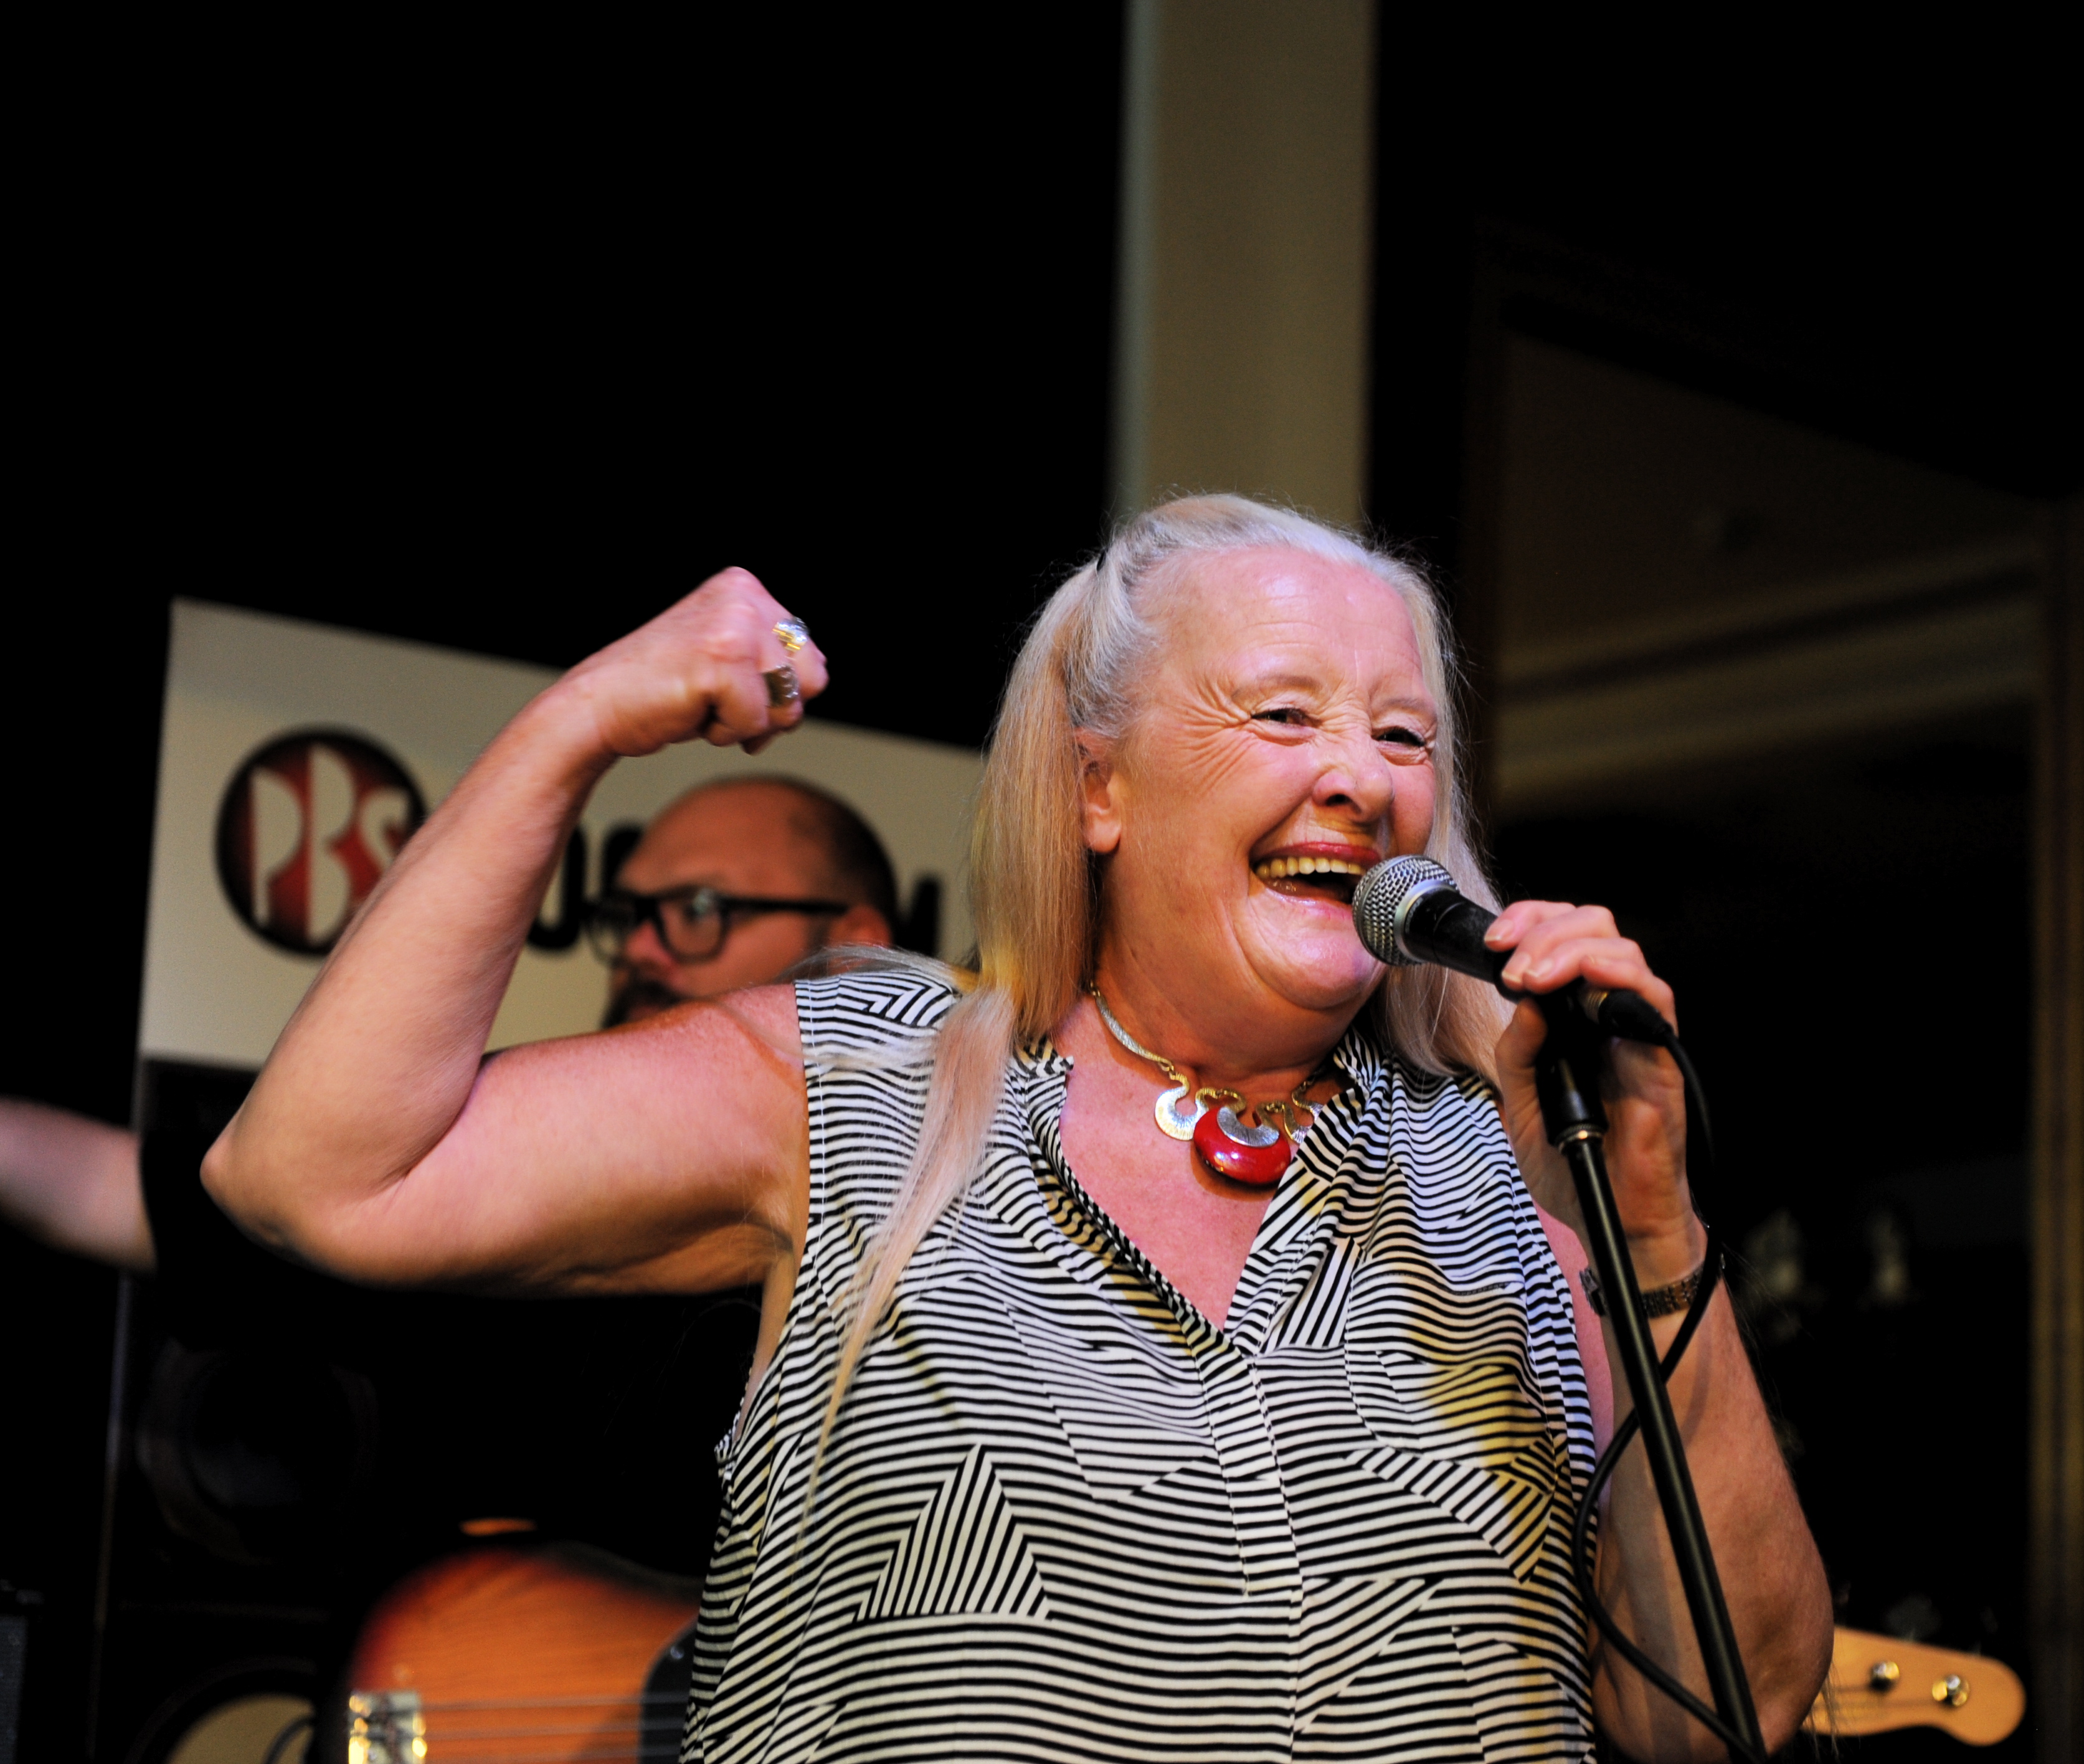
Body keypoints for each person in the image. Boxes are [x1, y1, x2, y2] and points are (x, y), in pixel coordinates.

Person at [204, 496, 1832, 1760]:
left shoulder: (1514, 1181)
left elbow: (1731, 1709)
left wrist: (1655, 1237)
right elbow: (324, 1176)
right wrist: (583, 723)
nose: (1359, 778)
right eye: (1283, 716)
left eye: (1403, 737)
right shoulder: (865, 1085)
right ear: (1100, 787)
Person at [0, 777, 899, 1271]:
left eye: (699, 908)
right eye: (629, 918)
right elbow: (111, 1190)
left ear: (855, 950)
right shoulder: (466, 1168)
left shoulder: (936, 1240)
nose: (644, 952)